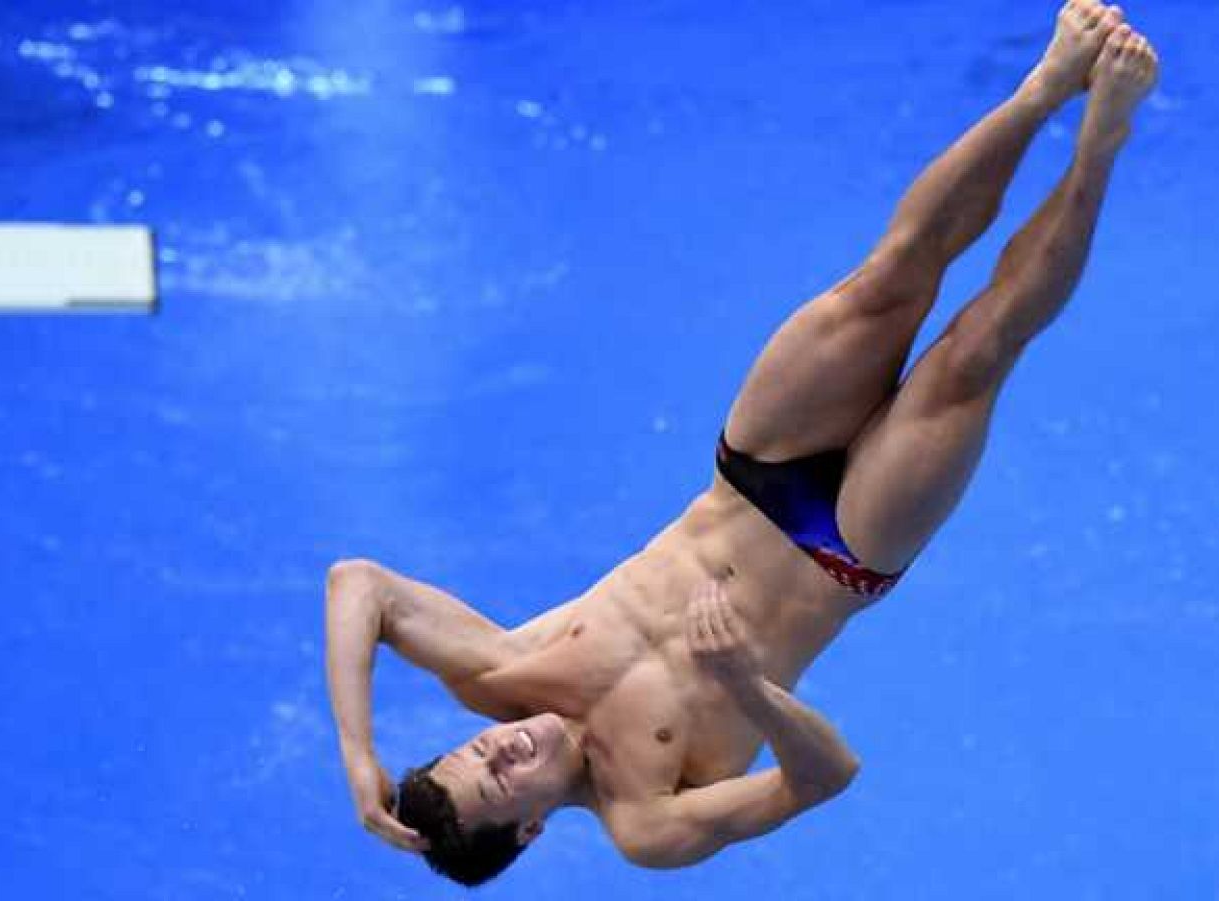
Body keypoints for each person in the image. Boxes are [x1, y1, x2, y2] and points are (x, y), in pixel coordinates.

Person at [325, 0, 1159, 885]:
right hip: (840, 553)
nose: (502, 744)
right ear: (529, 828)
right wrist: (746, 687)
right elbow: (826, 776)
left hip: (750, 476)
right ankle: (1100, 143)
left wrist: (357, 754)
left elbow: (361, 585)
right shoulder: (644, 819)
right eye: (501, 774)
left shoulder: (501, 671)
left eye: (474, 747)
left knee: (894, 273)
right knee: (977, 351)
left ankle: (1045, 85)